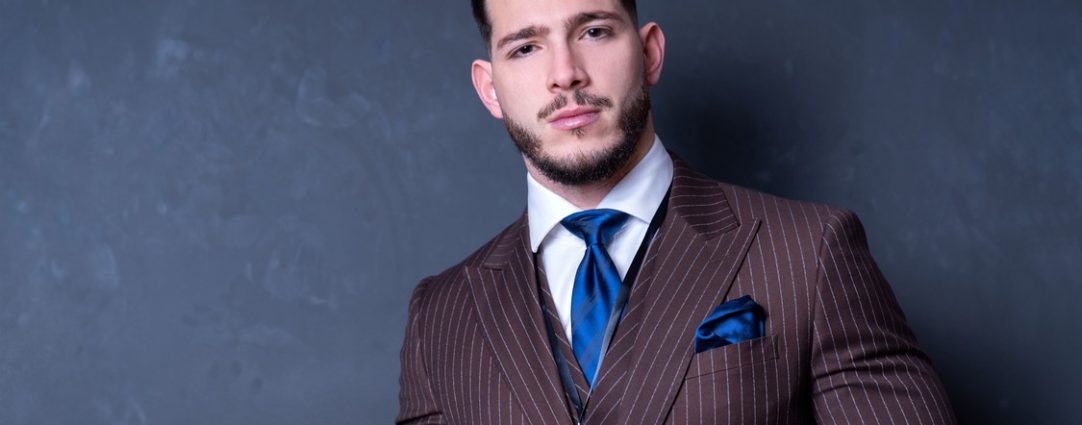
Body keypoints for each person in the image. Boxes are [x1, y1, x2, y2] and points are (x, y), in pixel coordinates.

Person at [397, 0, 957, 423]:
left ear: (649, 52)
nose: (564, 73)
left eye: (593, 31)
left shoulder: (810, 252)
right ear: (489, 89)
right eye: (525, 47)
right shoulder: (440, 315)